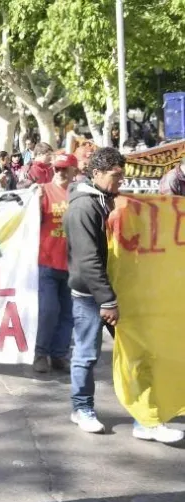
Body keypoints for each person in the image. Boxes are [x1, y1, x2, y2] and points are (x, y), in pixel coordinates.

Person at [64, 147, 183, 443]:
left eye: (123, 175)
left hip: (115, 291)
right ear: (97, 174)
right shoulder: (83, 208)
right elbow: (88, 260)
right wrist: (107, 301)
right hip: (92, 296)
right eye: (116, 176)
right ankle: (82, 409)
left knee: (137, 352)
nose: (121, 181)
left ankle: (145, 419)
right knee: (87, 354)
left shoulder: (106, 199)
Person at [33, 153, 77, 374]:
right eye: (57, 169)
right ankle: (41, 353)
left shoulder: (79, 193)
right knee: (49, 310)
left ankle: (59, 355)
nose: (60, 172)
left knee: (68, 313)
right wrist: (37, 203)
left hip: (73, 263)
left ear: (73, 170)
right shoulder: (43, 191)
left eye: (64, 169)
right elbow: (32, 222)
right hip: (47, 261)